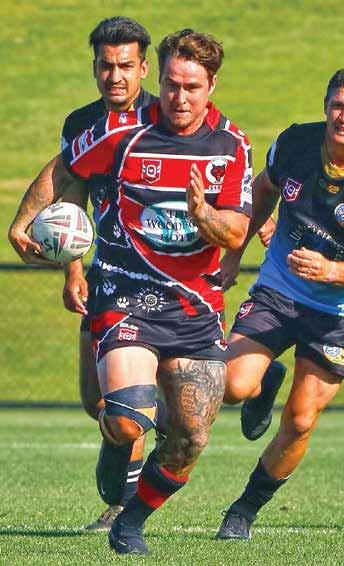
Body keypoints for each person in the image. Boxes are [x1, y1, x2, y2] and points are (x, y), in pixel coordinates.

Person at [9, 29, 252, 555]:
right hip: (125, 294)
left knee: (189, 439)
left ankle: (131, 519)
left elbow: (236, 232)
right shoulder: (119, 131)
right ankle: (119, 444)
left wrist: (204, 215)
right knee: (122, 416)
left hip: (194, 305)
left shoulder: (232, 147)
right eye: (172, 84)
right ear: (158, 78)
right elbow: (64, 170)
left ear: (212, 85)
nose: (179, 97)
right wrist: (22, 223)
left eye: (192, 87)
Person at [216, 67, 344, 540]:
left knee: (301, 419)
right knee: (231, 387)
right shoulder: (295, 144)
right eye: (338, 105)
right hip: (280, 290)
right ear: (326, 107)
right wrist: (234, 254)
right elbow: (262, 192)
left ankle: (243, 511)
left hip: (341, 313)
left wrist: (331, 271)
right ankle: (264, 382)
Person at [60, 17, 158, 531]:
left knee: (128, 399)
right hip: (105, 273)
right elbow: (71, 198)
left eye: (125, 65)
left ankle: (124, 504)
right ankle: (133, 424)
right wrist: (73, 269)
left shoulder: (165, 118)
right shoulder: (80, 123)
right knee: (94, 400)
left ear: (144, 68)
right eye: (106, 65)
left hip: (161, 277)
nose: (115, 76)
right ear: (94, 66)